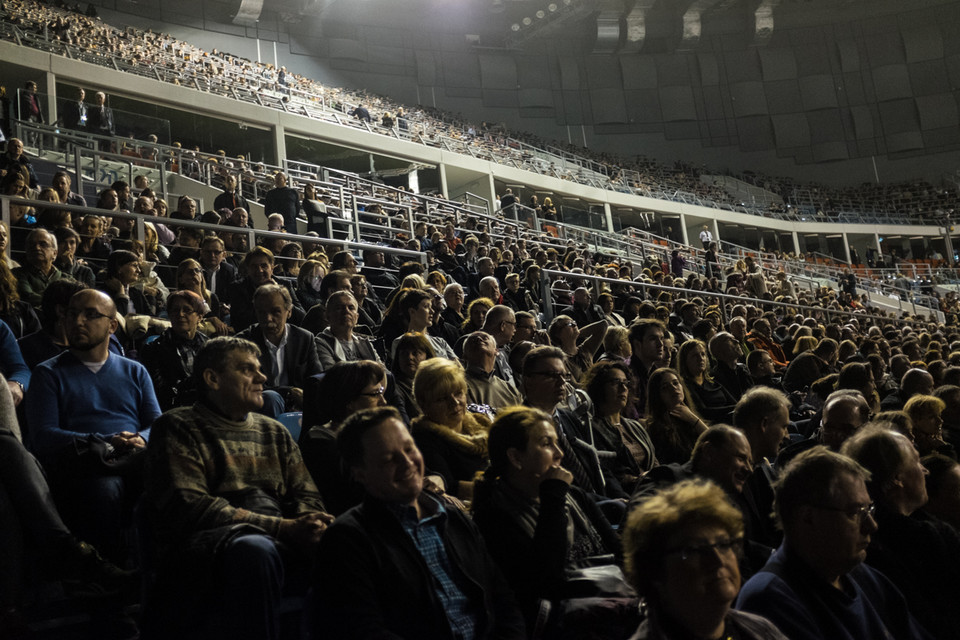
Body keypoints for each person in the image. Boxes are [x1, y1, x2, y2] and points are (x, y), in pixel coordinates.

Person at [144, 336, 333, 640]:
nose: (263, 378)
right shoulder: (177, 426)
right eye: (248, 370)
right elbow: (191, 506)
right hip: (205, 548)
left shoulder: (274, 431)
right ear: (212, 378)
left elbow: (307, 494)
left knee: (346, 540)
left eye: (259, 369)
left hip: (275, 533)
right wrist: (283, 527)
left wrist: (311, 523)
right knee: (254, 551)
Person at [311, 406, 526, 639]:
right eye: (388, 459)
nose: (407, 464)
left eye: (409, 449)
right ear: (360, 473)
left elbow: (502, 599)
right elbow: (362, 630)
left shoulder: (453, 518)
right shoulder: (347, 540)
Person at [736, 447, 933, 640]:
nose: (871, 526)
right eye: (856, 512)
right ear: (808, 518)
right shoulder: (770, 600)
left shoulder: (863, 576)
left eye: (869, 509)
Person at [26, 289, 161, 561]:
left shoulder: (135, 370)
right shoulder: (47, 373)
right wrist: (107, 440)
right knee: (106, 488)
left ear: (112, 326)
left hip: (133, 457)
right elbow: (43, 436)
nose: (77, 322)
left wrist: (142, 439)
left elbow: (157, 423)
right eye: (72, 314)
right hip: (83, 463)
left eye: (90, 315)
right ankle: (104, 576)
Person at [471, 406, 630, 634]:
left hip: (610, 604)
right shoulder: (493, 517)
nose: (559, 453)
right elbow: (545, 581)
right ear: (516, 457)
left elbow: (619, 552)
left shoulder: (573, 495)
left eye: (556, 443)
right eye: (547, 444)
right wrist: (552, 497)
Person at [623, 479, 786, 640]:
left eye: (723, 544)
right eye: (694, 550)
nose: (718, 560)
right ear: (654, 571)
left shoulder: (760, 628)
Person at [842, 426, 960, 640]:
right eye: (916, 462)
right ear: (898, 478)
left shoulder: (859, 537)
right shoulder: (927, 542)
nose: (925, 470)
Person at [411, 357, 491, 500]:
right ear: (424, 404)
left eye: (458, 393)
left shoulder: (482, 422)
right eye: (442, 399)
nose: (455, 403)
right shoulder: (424, 440)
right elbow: (449, 487)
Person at [238, 284, 321, 410]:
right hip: (260, 406)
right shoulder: (244, 342)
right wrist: (288, 392)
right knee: (271, 398)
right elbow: (249, 385)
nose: (268, 318)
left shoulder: (304, 338)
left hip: (299, 405)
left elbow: (316, 377)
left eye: (275, 312)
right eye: (262, 312)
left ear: (289, 312)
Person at [139, 290, 208, 411]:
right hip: (175, 411)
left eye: (187, 310)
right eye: (175, 310)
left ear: (200, 317)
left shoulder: (209, 347)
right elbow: (160, 393)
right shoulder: (154, 349)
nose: (180, 314)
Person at [645, 367, 708, 465]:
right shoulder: (657, 429)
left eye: (675, 383)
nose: (673, 388)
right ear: (657, 396)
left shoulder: (690, 416)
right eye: (665, 387)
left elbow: (716, 442)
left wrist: (694, 419)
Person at [315, 290, 380, 370]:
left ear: (357, 317)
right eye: (339, 308)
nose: (346, 311)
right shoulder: (320, 343)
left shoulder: (365, 343)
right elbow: (331, 374)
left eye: (351, 308)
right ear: (327, 316)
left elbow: (383, 372)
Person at [462, 331, 523, 411]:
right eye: (473, 340)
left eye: (485, 338)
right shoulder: (460, 385)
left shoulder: (509, 389)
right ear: (464, 356)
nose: (479, 339)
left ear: (496, 351)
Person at [12, 228, 68, 308]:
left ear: (54, 253)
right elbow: (28, 297)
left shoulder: (65, 278)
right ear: (26, 250)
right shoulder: (16, 274)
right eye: (32, 244)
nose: (37, 248)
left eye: (43, 244)